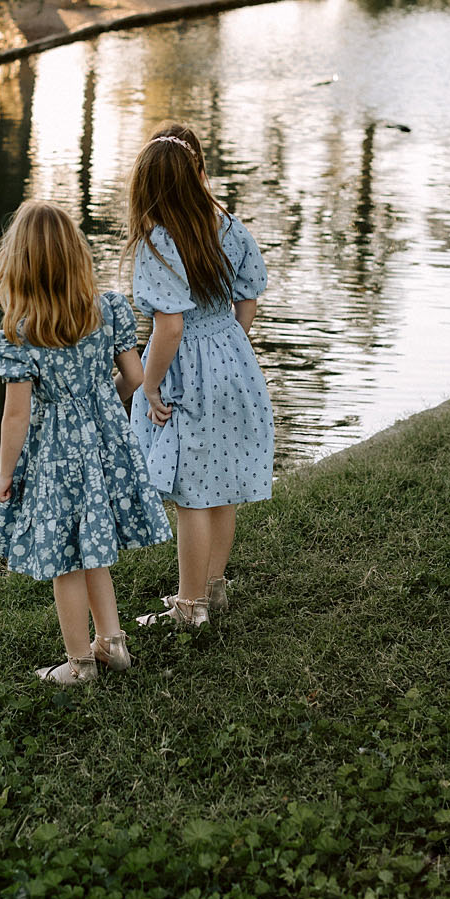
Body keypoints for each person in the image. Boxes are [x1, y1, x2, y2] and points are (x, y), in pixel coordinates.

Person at [0, 200, 170, 685]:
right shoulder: (106, 310)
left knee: (66, 559)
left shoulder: (23, 333)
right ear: (76, 255)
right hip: (104, 444)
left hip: (56, 458)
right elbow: (134, 376)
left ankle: (80, 664)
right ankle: (113, 642)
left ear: (18, 263)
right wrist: (103, 404)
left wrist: (3, 475)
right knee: (94, 549)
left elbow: (16, 415)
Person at [125, 123, 276, 629]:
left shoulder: (159, 242)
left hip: (186, 365)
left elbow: (168, 327)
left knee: (192, 491)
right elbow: (249, 294)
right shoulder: (228, 225)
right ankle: (213, 587)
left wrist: (148, 383)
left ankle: (190, 608)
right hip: (232, 355)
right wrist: (231, 341)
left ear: (149, 188)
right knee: (222, 485)